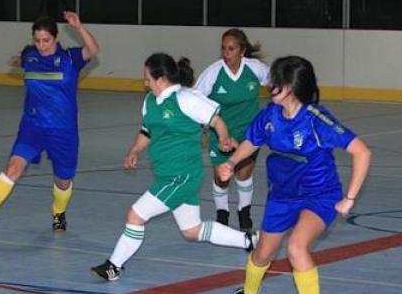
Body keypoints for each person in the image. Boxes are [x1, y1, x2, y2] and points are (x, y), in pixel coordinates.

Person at [91, 53, 258, 281]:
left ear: (161, 79)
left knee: (135, 215)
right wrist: (134, 150)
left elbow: (216, 120)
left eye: (148, 78)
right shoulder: (150, 101)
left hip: (181, 176)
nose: (145, 83)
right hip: (166, 175)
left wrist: (223, 138)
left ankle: (114, 266)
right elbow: (147, 131)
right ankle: (249, 241)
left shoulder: (186, 98)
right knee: (192, 231)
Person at [217, 56, 371, 294]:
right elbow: (252, 141)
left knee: (297, 248)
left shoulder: (316, 120)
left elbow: (362, 152)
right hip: (281, 196)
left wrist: (349, 198)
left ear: (291, 88)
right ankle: (248, 292)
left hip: (319, 195)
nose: (270, 86)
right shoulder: (270, 115)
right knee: (262, 255)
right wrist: (232, 161)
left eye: (277, 82)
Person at [0, 11, 99, 238]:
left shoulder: (71, 59)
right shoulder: (31, 56)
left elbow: (93, 50)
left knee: (63, 180)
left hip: (63, 131)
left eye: (46, 40)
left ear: (56, 38)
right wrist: (16, 60)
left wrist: (79, 27)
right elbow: (19, 61)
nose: (41, 45)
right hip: (32, 127)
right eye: (37, 40)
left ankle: (58, 212)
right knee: (12, 168)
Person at [194, 28, 269, 231]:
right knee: (222, 175)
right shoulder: (213, 72)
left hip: (249, 132)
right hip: (220, 132)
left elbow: (277, 85)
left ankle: (244, 212)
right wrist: (201, 128)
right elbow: (194, 100)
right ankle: (222, 213)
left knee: (243, 173)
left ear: (241, 51)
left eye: (231, 49)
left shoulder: (255, 69)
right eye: (223, 48)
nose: (226, 53)